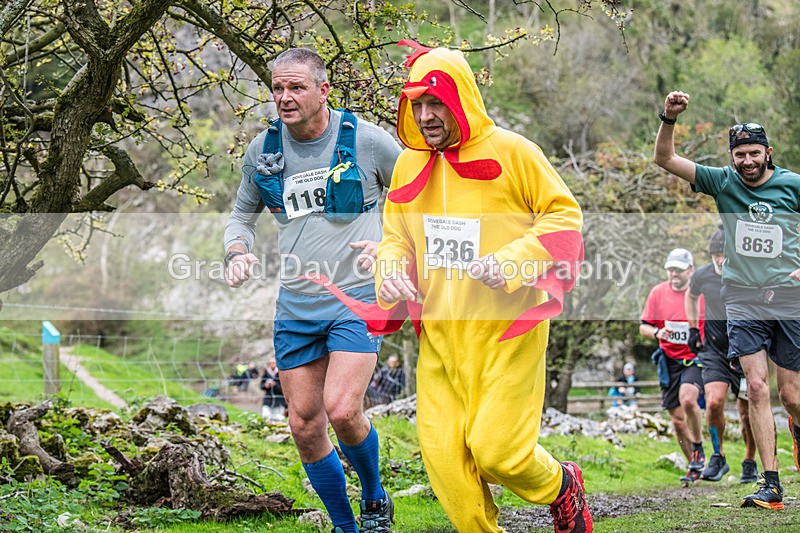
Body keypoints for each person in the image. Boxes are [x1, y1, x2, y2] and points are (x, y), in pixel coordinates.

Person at [375, 44, 591, 533]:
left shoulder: (515, 151)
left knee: (499, 455)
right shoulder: (408, 166)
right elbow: (394, 239)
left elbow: (564, 216)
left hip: (507, 331)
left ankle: (562, 486)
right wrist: (389, 272)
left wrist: (511, 262)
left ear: (463, 99)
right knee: (446, 464)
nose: (426, 116)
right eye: (417, 105)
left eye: (437, 103)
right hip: (440, 339)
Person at [224, 47, 402, 532]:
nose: (284, 97)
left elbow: (417, 194)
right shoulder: (264, 151)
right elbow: (242, 214)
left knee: (343, 410)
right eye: (277, 88)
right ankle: (346, 526)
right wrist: (237, 251)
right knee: (304, 425)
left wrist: (391, 243)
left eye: (296, 87)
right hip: (297, 304)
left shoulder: (366, 141)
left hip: (358, 299)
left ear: (323, 90)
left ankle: (374, 498)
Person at [654, 90, 800, 510]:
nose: (748, 162)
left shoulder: (791, 185)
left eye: (755, 153)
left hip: (788, 298)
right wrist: (669, 118)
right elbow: (665, 160)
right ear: (732, 156)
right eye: (741, 155)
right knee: (755, 386)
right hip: (742, 297)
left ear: (768, 153)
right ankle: (771, 485)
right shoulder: (723, 181)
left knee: (791, 396)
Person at [685, 225, 758, 483]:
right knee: (714, 401)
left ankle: (750, 460)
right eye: (716, 253)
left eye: (725, 253)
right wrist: (693, 328)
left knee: (747, 413)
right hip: (715, 349)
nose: (720, 258)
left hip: (747, 350)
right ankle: (718, 455)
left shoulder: (746, 274)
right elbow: (690, 296)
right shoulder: (702, 275)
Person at [640, 248, 707, 484]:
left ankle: (699, 447)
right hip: (668, 361)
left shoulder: (701, 293)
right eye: (670, 269)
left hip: (695, 358)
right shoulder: (658, 293)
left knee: (688, 399)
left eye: (678, 269)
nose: (673, 273)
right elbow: (644, 327)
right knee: (677, 420)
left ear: (691, 270)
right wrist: (659, 332)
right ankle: (695, 466)